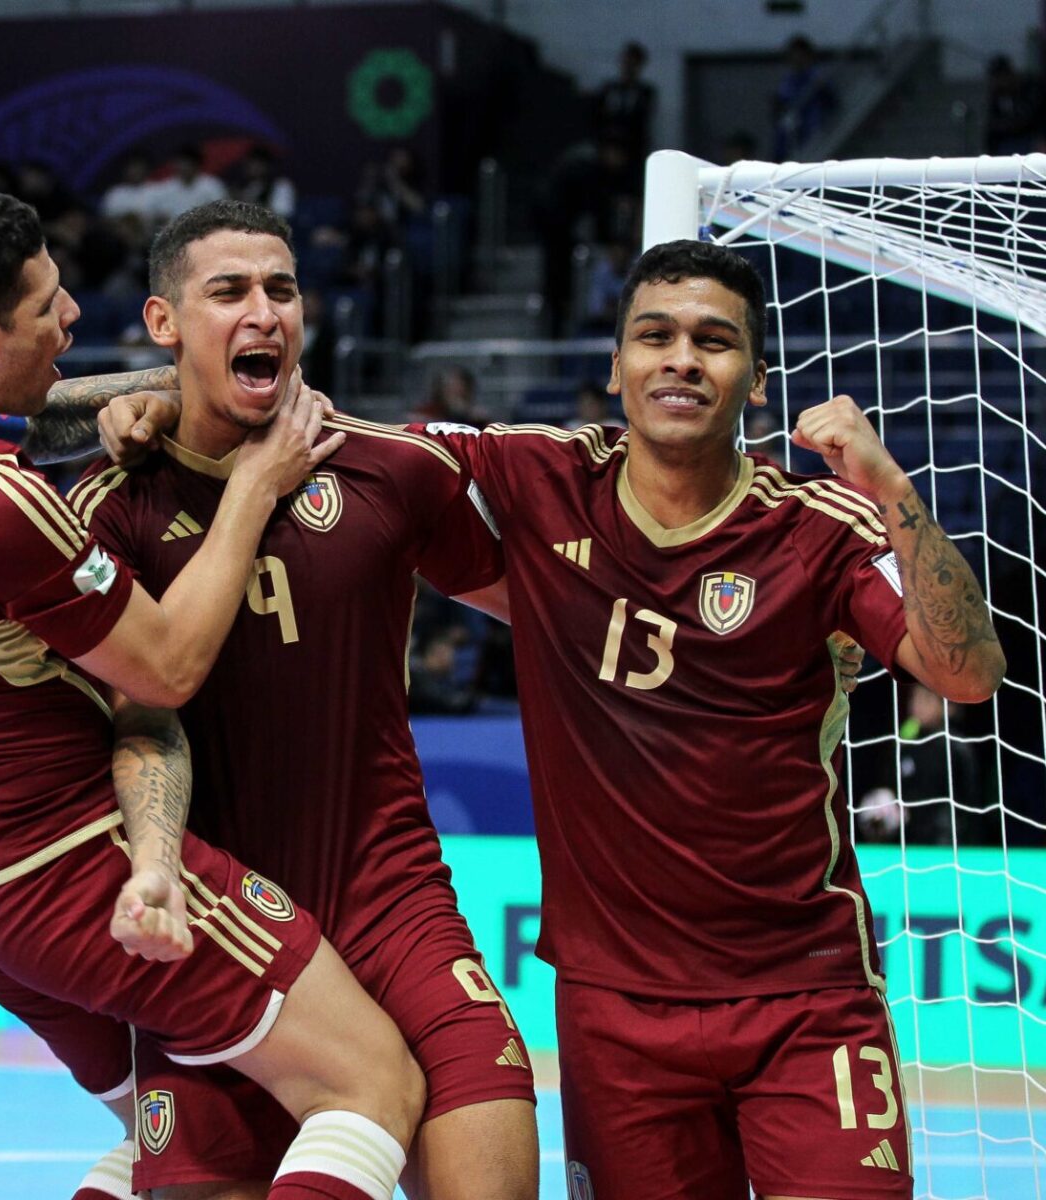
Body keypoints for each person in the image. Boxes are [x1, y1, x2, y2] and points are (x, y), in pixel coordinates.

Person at [0, 189, 426, 1200]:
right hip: (74, 868)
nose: (72, 315)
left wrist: (176, 385)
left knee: (186, 1143)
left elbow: (28, 405)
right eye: (47, 307)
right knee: (370, 1088)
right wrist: (253, 481)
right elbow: (164, 671)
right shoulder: (1, 506)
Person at [401, 240, 1002, 1198]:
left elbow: (969, 672)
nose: (683, 358)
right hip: (616, 1012)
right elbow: (343, 448)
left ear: (757, 382)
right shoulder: (542, 478)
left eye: (714, 342)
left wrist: (890, 489)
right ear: (616, 368)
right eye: (656, 335)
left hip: (807, 1000)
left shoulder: (816, 527)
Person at [67, 199, 538, 1200]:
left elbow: (554, 608)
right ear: (163, 323)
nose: (265, 312)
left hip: (394, 902)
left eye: (281, 290)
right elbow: (136, 722)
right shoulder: (112, 510)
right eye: (228, 291)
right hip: (221, 927)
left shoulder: (387, 468)